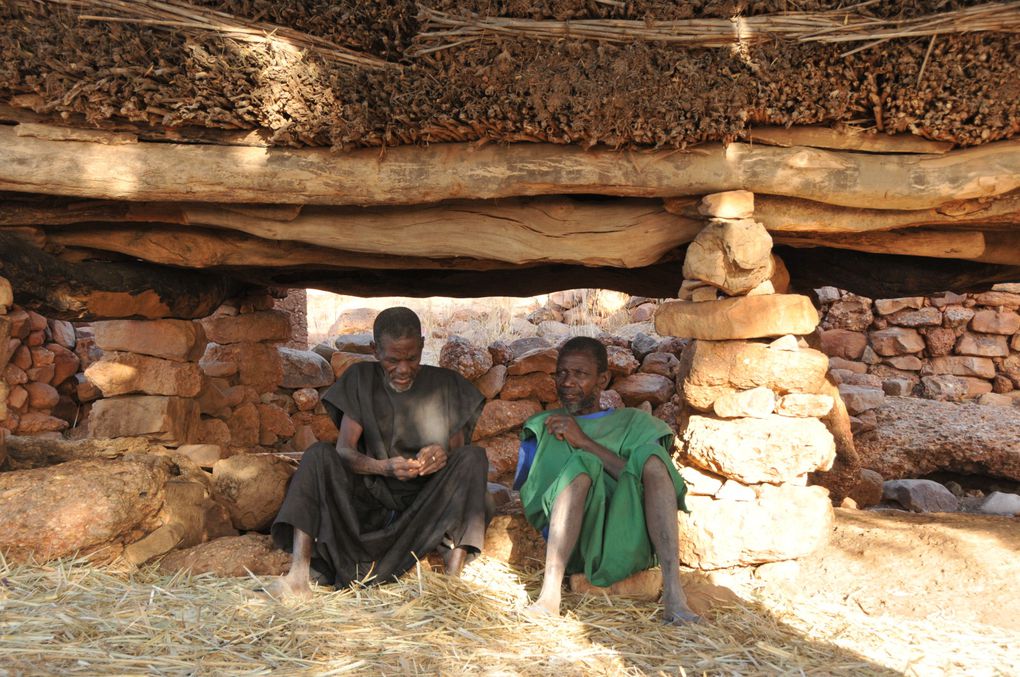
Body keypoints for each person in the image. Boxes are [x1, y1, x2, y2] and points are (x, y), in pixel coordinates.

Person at [268, 307, 489, 598]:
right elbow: (344, 451)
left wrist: (441, 453)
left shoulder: (446, 385)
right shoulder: (361, 379)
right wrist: (383, 467)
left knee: (473, 458)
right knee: (318, 455)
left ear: (423, 345)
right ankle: (298, 576)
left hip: (424, 508)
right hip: (368, 505)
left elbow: (458, 460)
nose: (403, 368)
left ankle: (450, 583)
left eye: (411, 358)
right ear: (374, 350)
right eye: (392, 359)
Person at [515, 336, 700, 624]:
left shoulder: (635, 424)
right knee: (581, 465)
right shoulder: (542, 426)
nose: (567, 382)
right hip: (573, 544)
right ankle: (549, 597)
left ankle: (675, 597)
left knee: (651, 457)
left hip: (629, 537)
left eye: (580, 374)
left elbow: (647, 483)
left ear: (602, 380)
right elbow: (536, 499)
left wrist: (584, 441)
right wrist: (583, 458)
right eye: (561, 373)